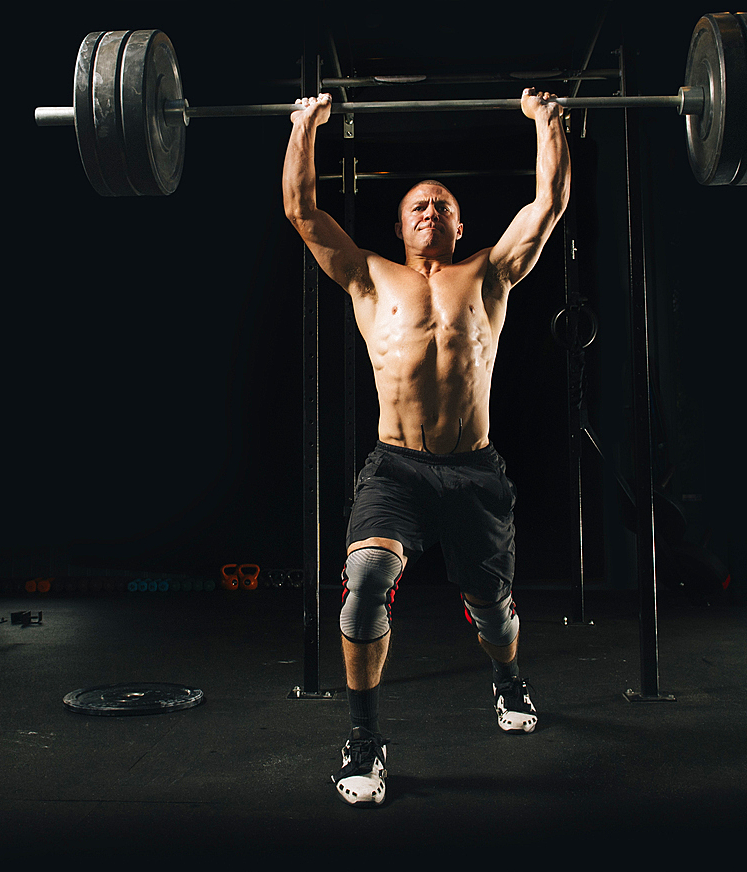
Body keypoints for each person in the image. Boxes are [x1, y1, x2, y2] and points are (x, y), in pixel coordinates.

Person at [283, 88, 570, 807]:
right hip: (398, 469)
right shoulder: (370, 277)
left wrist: (547, 122)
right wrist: (303, 127)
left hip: (474, 471)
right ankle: (364, 740)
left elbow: (547, 206)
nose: (431, 211)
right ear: (401, 220)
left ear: (461, 221)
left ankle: (507, 679)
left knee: (494, 611)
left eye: (443, 204)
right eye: (420, 203)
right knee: (365, 586)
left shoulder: (490, 274)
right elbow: (303, 211)